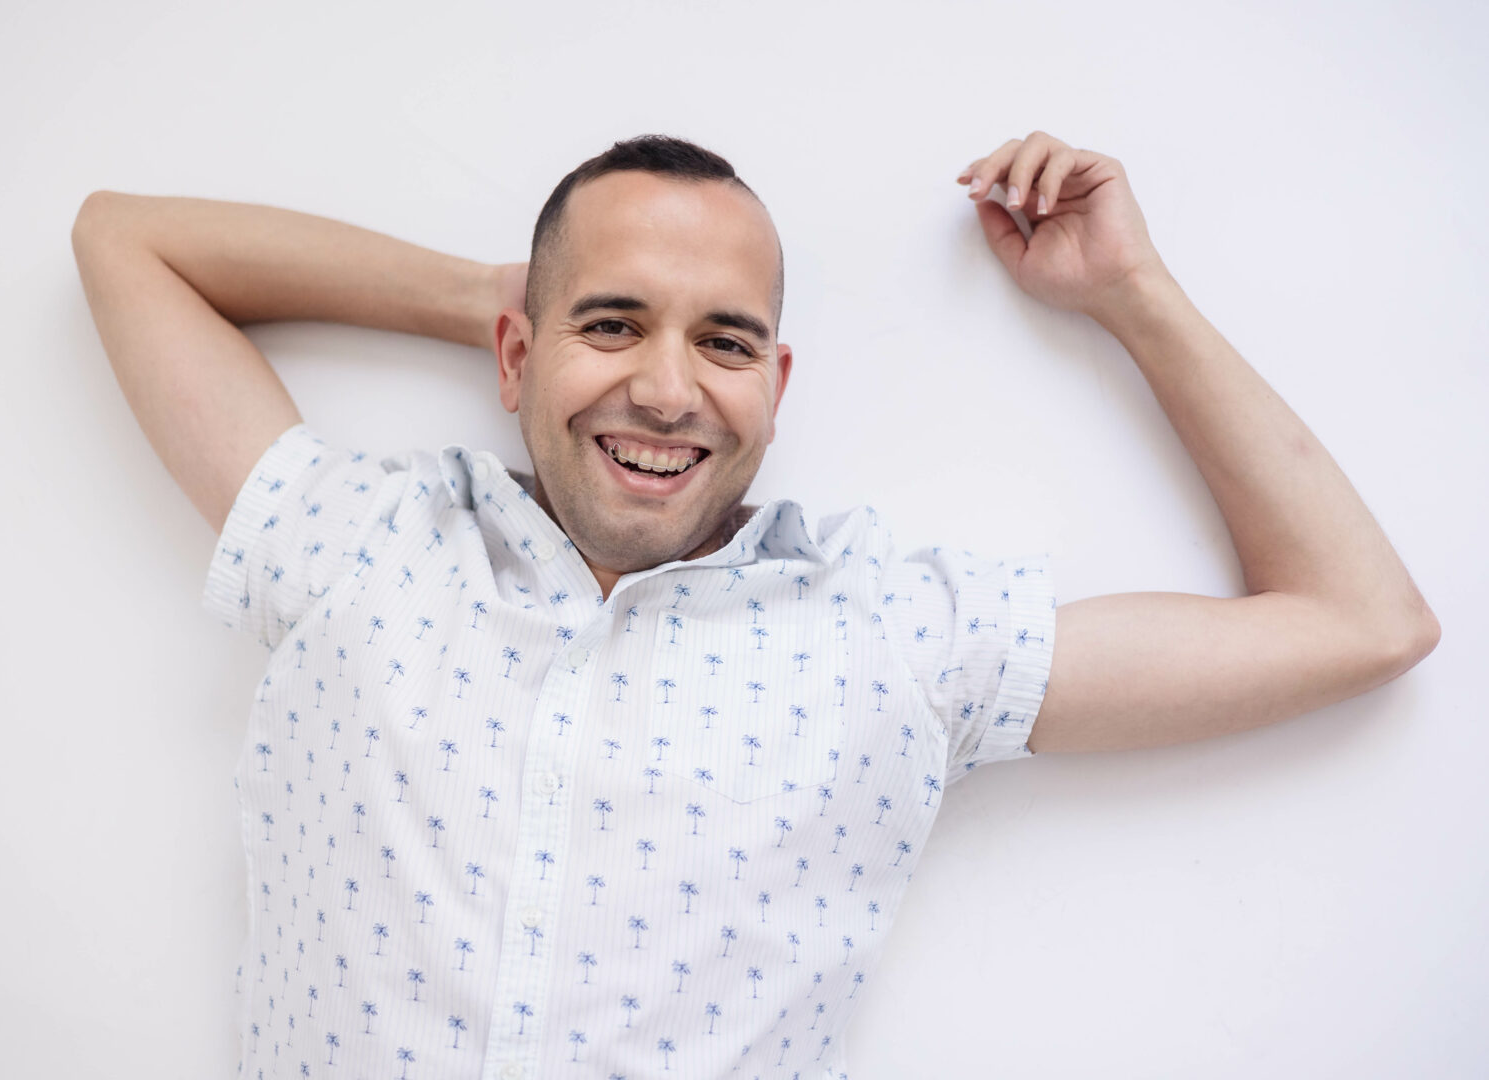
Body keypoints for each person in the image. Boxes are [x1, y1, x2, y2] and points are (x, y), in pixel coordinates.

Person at [70, 130, 1439, 1079]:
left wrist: (1132, 293)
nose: (667, 390)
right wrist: (504, 298)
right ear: (516, 355)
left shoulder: (888, 637)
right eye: (614, 324)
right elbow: (124, 240)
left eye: (722, 341)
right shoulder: (366, 547)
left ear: (775, 389)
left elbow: (1361, 620)